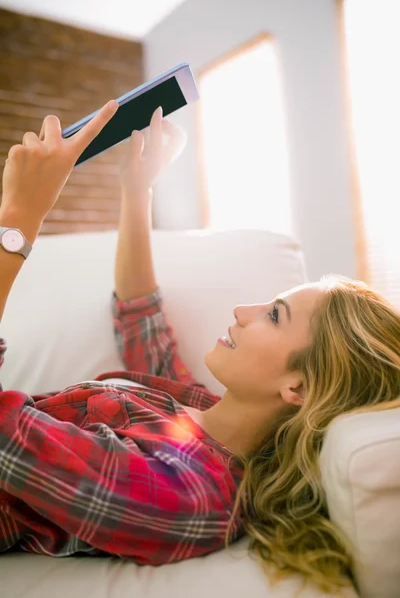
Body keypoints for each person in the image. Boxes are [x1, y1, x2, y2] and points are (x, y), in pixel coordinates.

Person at [0, 101, 399, 595]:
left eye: (274, 314)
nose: (242, 311)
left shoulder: (192, 496)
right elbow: (139, 317)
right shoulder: (196, 408)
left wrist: (19, 221)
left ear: (298, 386)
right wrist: (137, 186)